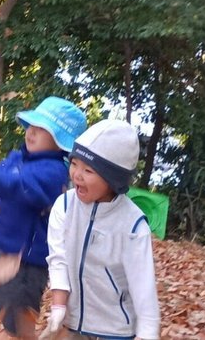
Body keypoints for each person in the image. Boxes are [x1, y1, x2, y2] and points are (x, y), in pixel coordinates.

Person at [0, 97, 87, 340]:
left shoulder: (55, 172)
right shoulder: (17, 158)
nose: (31, 132)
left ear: (60, 141)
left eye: (41, 129)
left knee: (16, 333)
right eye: (31, 125)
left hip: (25, 267)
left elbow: (19, 185)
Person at [43, 119, 160, 339]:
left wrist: (147, 334)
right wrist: (58, 308)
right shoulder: (64, 206)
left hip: (115, 330)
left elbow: (144, 289)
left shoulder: (133, 225)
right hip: (72, 323)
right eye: (74, 163)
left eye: (88, 170)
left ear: (113, 179)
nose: (77, 174)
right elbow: (58, 259)